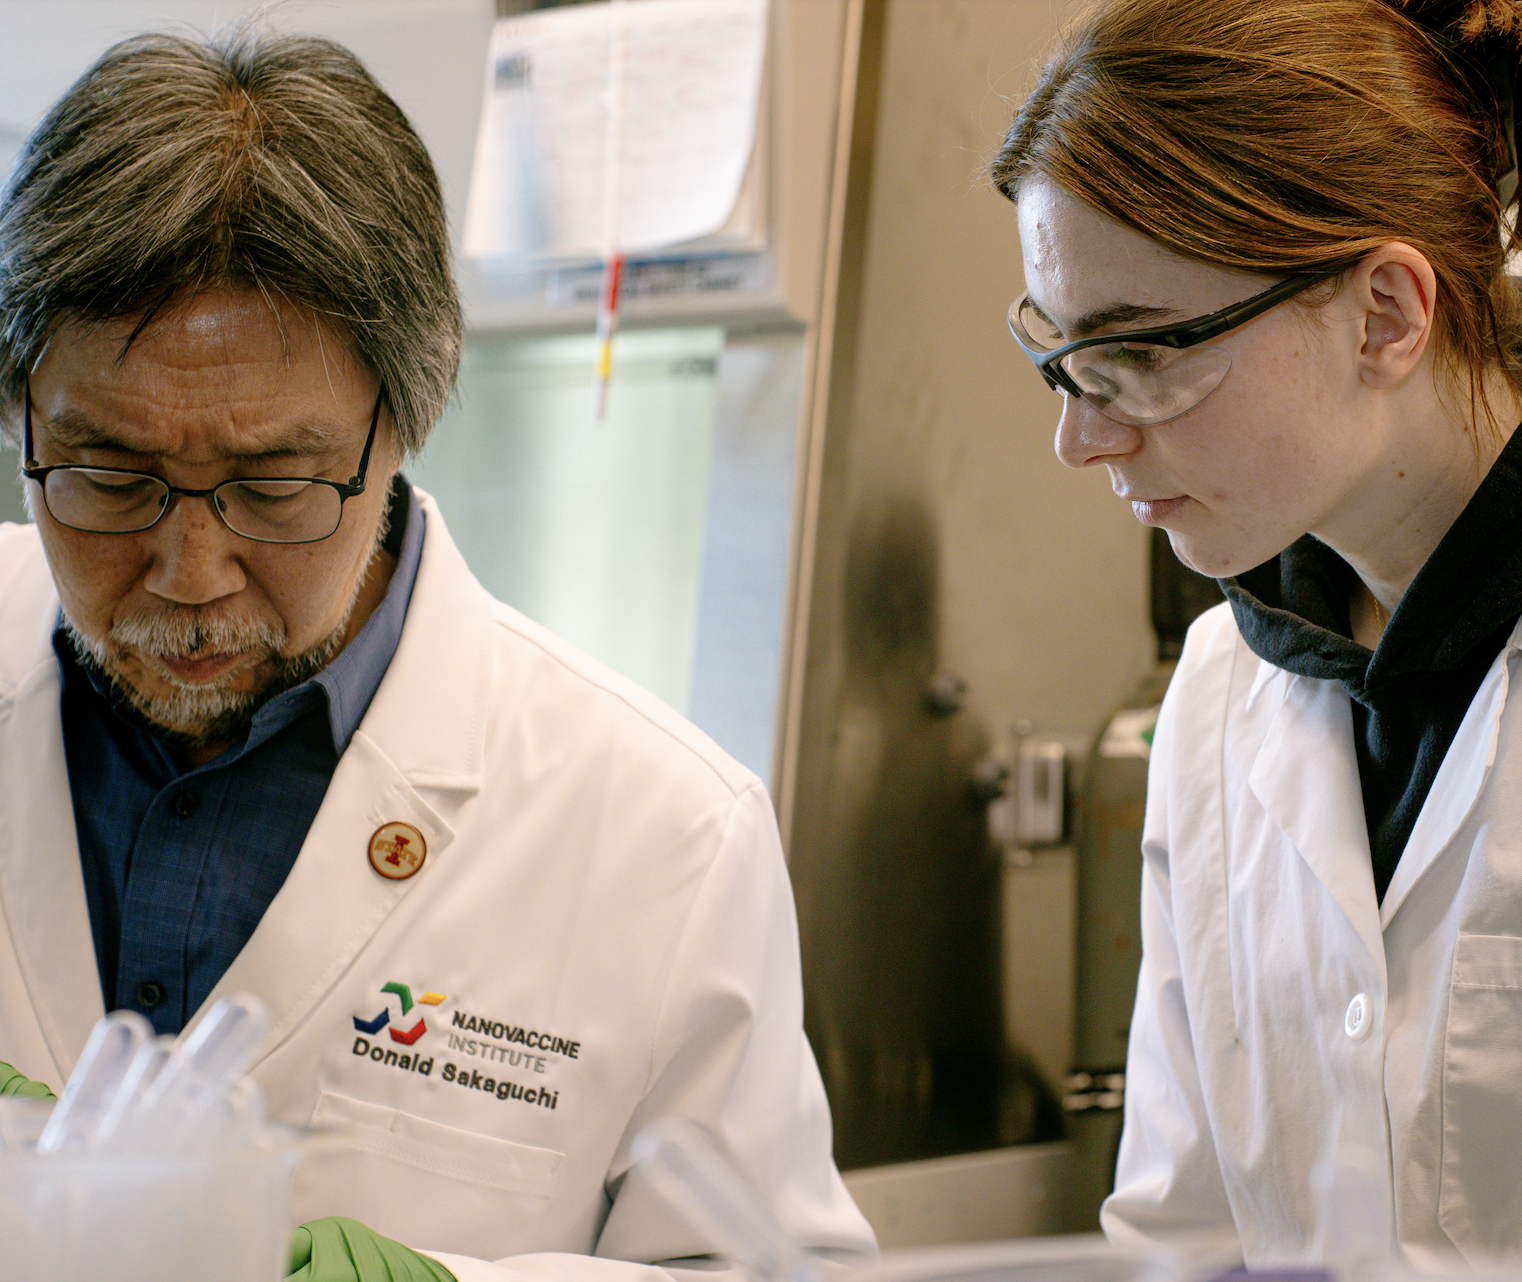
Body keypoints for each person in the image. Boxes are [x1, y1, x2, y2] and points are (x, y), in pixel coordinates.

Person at [0, 28, 873, 1282]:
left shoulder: (664, 833)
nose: (189, 574)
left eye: (275, 484)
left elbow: (778, 1271)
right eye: (106, 475)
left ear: (404, 424)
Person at [993, 0, 1522, 1268]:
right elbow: (1186, 1234)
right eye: (1062, 359)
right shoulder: (1223, 694)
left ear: (1385, 314)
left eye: (1139, 354)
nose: (1085, 437)